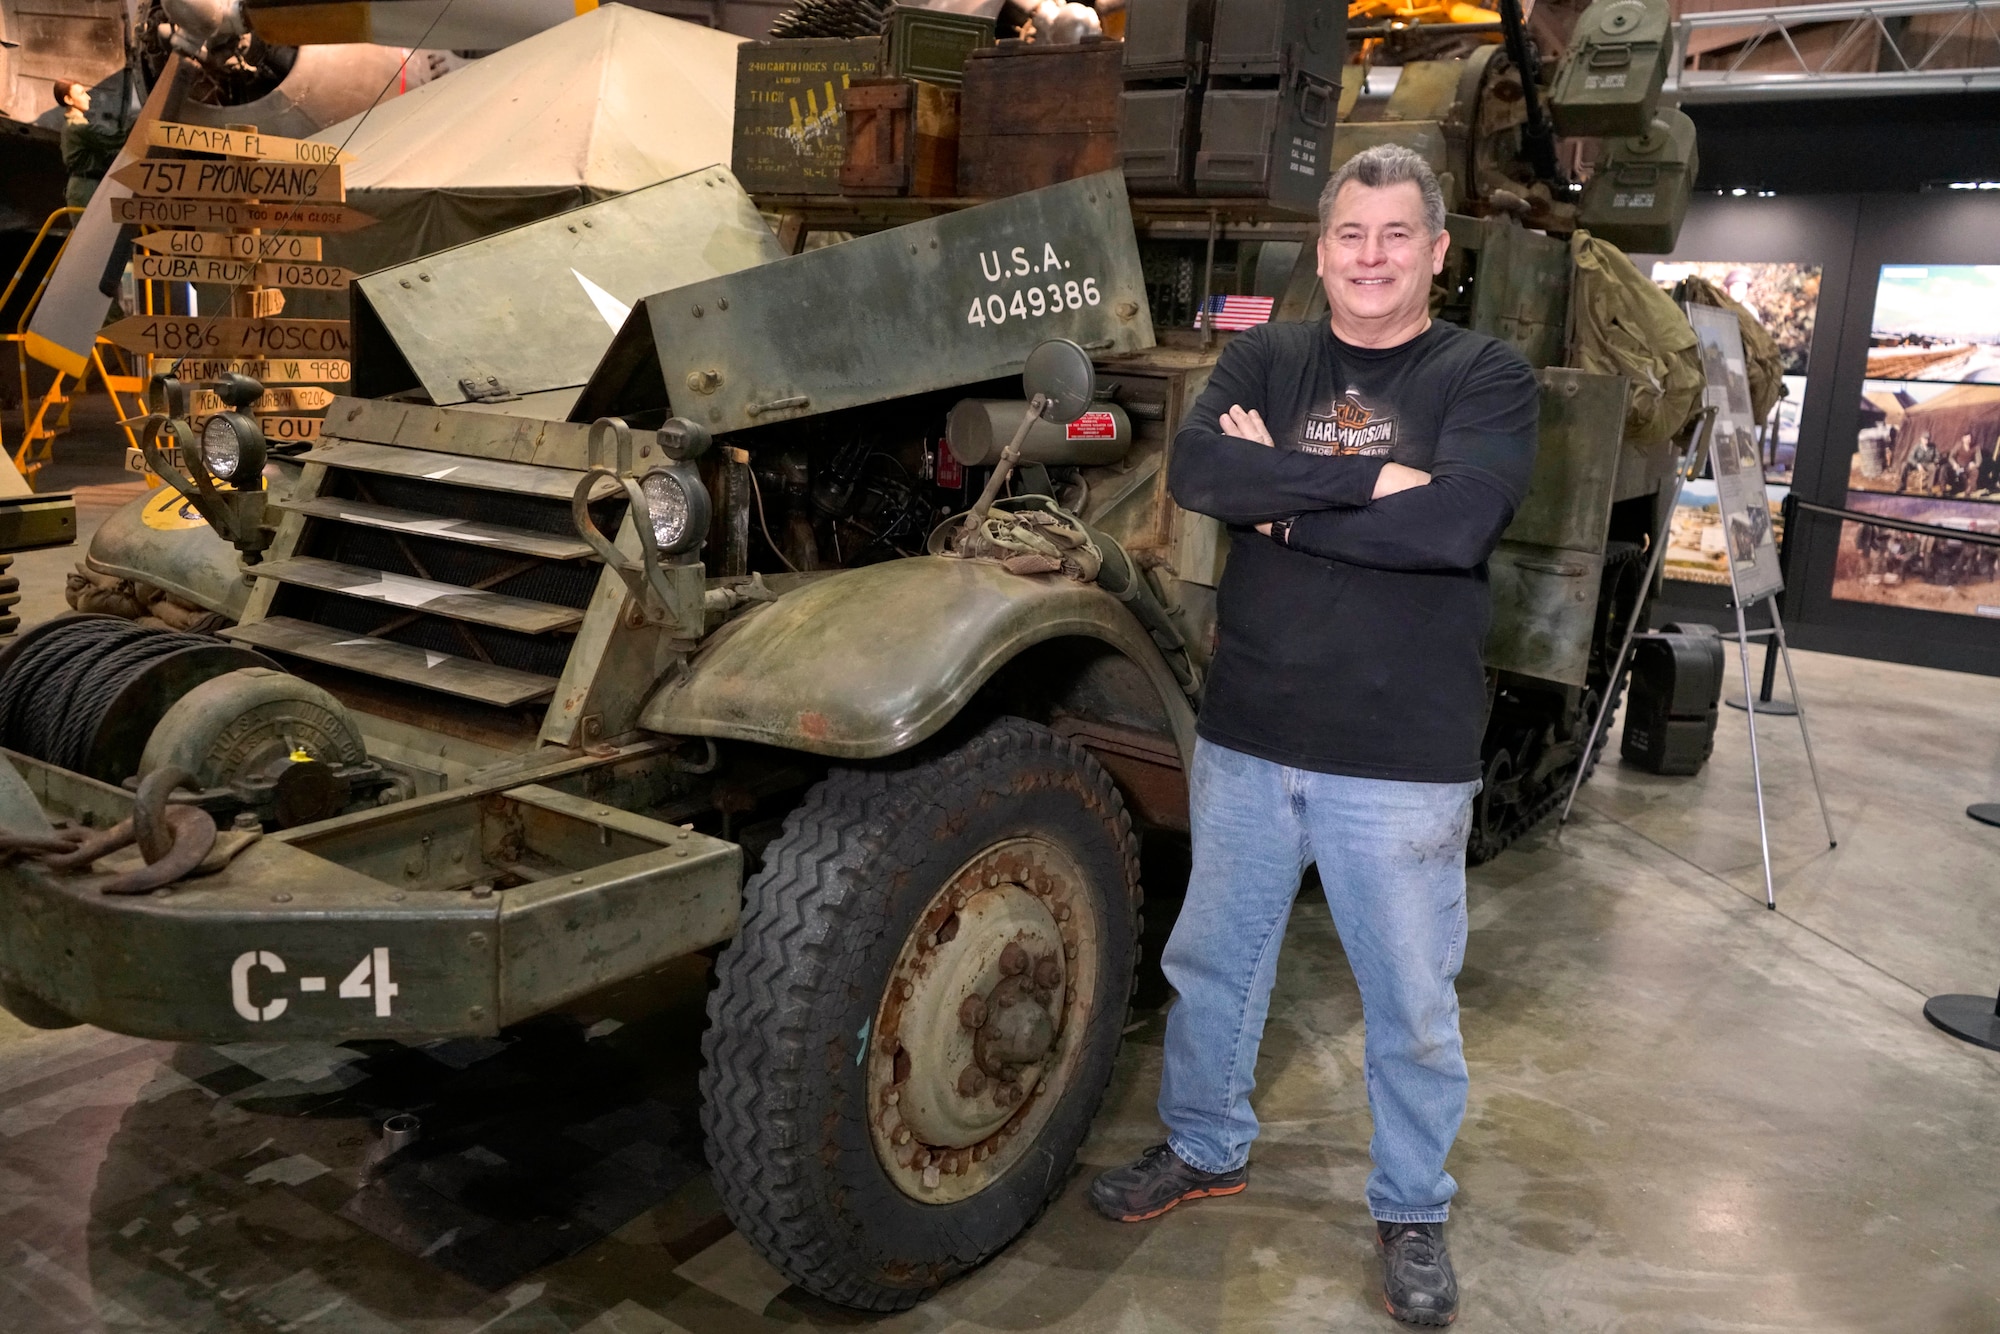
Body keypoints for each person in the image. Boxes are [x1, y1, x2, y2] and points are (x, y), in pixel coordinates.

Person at [1087, 143, 1539, 1327]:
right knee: (1213, 968)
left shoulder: (1481, 374)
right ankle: (1201, 1144)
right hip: (1249, 733)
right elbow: (1196, 471)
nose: (1371, 257)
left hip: (1398, 757)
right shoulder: (1272, 351)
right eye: (1350, 234)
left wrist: (1279, 498)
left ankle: (1408, 1205)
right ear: (1322, 249)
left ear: (1435, 254)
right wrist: (1364, 483)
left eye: (1397, 235)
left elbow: (1453, 527)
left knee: (1408, 1001)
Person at [56, 80, 123, 209]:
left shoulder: (75, 125)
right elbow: (117, 139)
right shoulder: (78, 127)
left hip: (86, 185)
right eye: (82, 93)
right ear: (69, 100)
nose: (88, 97)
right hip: (86, 187)